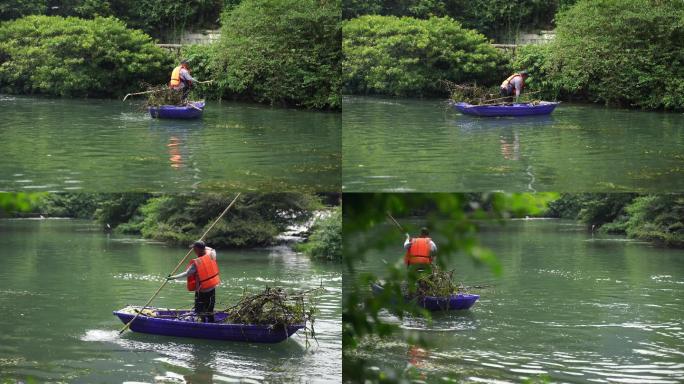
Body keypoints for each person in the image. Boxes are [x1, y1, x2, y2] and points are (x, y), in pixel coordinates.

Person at [167, 241, 220, 322]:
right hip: (212, 288)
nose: (193, 250)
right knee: (210, 309)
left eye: (194, 249)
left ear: (198, 249)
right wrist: (202, 246)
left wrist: (173, 277)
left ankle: (203, 324)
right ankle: (211, 323)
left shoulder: (197, 263)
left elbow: (187, 273)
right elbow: (211, 249)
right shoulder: (212, 254)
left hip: (202, 291)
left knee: (200, 310)